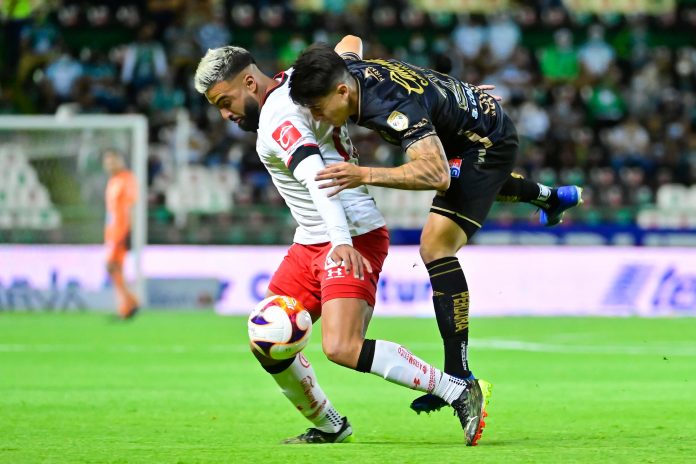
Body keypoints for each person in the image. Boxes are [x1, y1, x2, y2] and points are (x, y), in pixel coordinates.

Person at [194, 46, 490, 446]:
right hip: (311, 239)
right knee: (268, 339)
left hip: (351, 234)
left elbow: (319, 178)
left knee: (342, 346)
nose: (225, 115)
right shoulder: (297, 82)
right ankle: (331, 425)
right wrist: (456, 94)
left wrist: (341, 242)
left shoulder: (279, 117)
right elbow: (351, 48)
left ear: (249, 82)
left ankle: (457, 390)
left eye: (225, 102)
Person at [288, 36, 583, 413]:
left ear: (343, 91)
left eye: (317, 106)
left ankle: (459, 374)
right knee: (471, 184)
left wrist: (363, 174)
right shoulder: (346, 69)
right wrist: (449, 94)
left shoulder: (392, 109)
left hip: (486, 141)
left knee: (436, 246)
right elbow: (351, 41)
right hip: (462, 122)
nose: (316, 116)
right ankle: (551, 197)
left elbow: (437, 174)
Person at [103, 149, 139, 319]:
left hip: (120, 230)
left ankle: (130, 303)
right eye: (107, 162)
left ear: (120, 161)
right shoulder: (112, 181)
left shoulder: (127, 179)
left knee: (112, 266)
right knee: (115, 268)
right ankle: (128, 305)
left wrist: (128, 231)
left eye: (113, 161)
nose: (110, 165)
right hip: (111, 230)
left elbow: (129, 207)